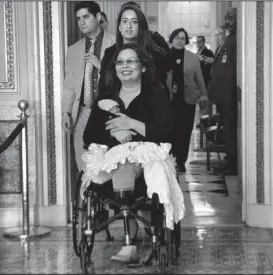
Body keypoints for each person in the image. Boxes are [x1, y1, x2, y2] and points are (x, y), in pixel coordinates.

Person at [83, 43, 174, 263]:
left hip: (148, 160)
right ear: (114, 68)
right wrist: (115, 135)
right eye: (120, 62)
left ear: (143, 66)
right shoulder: (105, 98)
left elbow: (165, 132)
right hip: (112, 160)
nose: (125, 66)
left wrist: (131, 124)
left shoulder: (156, 94)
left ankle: (128, 243)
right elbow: (89, 137)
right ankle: (129, 234)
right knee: (119, 167)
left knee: (124, 168)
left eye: (131, 61)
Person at [61, 1, 115, 171]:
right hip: (82, 113)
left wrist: (102, 67)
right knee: (83, 165)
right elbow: (69, 84)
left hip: (108, 113)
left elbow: (124, 81)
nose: (81, 22)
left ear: (98, 17)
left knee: (108, 165)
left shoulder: (116, 44)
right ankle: (85, 197)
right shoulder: (73, 50)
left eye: (86, 17)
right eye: (78, 19)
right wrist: (66, 112)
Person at [98, 3, 169, 94]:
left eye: (134, 21)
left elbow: (161, 90)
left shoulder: (154, 54)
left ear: (140, 27)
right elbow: (103, 87)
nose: (129, 25)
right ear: (119, 27)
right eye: (125, 21)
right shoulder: (110, 53)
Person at [166, 28, 208, 173]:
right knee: (170, 130)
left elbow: (199, 78)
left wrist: (203, 95)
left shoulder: (192, 57)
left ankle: (181, 160)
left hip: (187, 99)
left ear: (186, 41)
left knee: (185, 131)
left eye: (182, 38)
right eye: (176, 37)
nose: (179, 40)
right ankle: (170, 158)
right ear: (172, 39)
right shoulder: (165, 55)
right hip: (169, 100)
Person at [208, 8, 238, 175]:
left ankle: (233, 163)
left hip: (228, 97)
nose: (228, 22)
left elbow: (229, 71)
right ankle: (230, 158)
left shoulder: (234, 41)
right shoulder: (229, 41)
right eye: (226, 18)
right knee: (227, 130)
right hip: (223, 97)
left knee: (231, 131)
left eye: (231, 18)